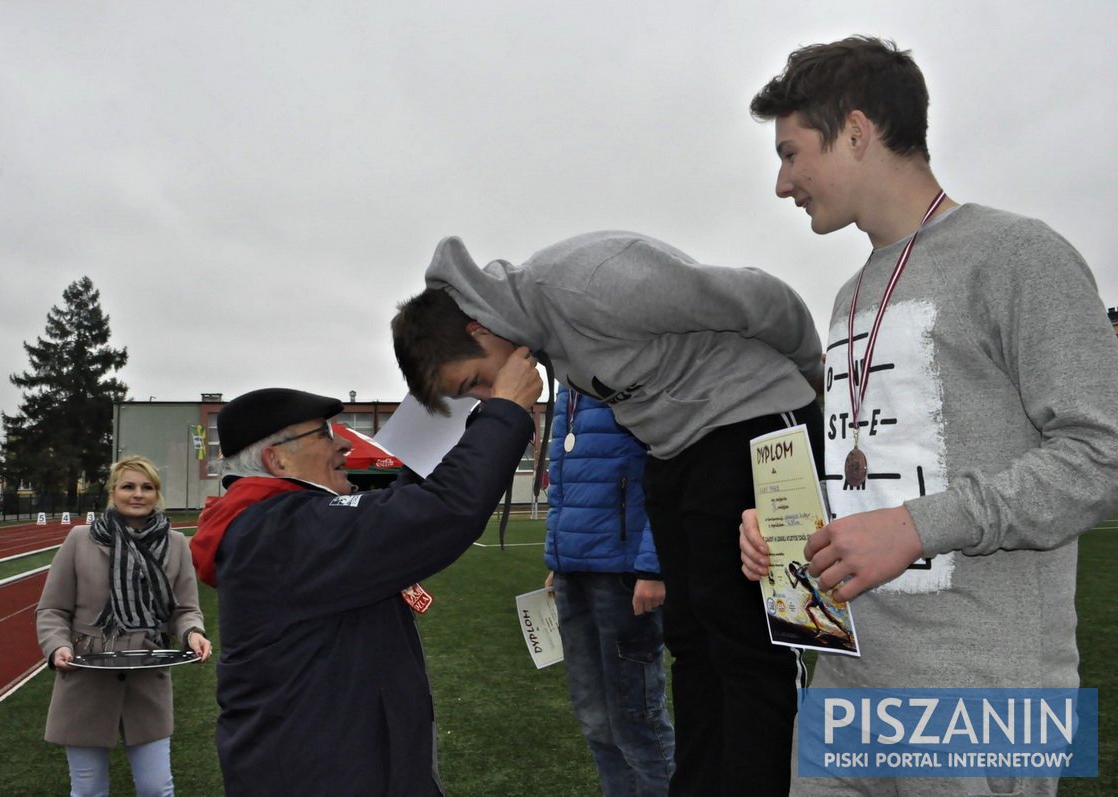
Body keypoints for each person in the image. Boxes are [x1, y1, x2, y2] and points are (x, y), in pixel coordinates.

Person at [741, 35, 1118, 796]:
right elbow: (879, 467)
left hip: (984, 696)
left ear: (855, 129)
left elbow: (1100, 458)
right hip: (845, 677)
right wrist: (791, 529)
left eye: (790, 153)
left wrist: (919, 524)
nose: (783, 183)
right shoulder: (848, 295)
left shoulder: (1020, 254)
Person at [393, 231, 824, 795]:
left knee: (748, 643)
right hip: (675, 451)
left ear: (479, 328)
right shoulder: (538, 337)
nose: (484, 394)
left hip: (753, 421)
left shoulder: (588, 283)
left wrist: (814, 384)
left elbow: (763, 299)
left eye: (474, 381)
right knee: (692, 644)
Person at [189, 363, 541, 795]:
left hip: (331, 766)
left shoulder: (271, 526)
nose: (341, 446)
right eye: (322, 435)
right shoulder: (280, 534)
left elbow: (395, 510)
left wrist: (444, 406)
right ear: (276, 459)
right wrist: (505, 411)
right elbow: (438, 513)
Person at [36, 455, 212, 797]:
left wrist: (193, 633)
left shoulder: (176, 544)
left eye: (147, 487)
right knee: (88, 791)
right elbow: (52, 609)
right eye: (128, 486)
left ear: (157, 494)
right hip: (86, 674)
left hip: (147, 675)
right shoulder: (80, 540)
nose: (138, 494)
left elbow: (185, 608)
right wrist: (58, 645)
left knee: (156, 788)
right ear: (113, 492)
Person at [543, 385, 675, 795]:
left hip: (623, 573)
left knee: (638, 720)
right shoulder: (566, 390)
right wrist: (558, 556)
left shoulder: (630, 369)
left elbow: (667, 467)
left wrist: (654, 566)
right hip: (573, 572)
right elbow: (563, 483)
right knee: (595, 721)